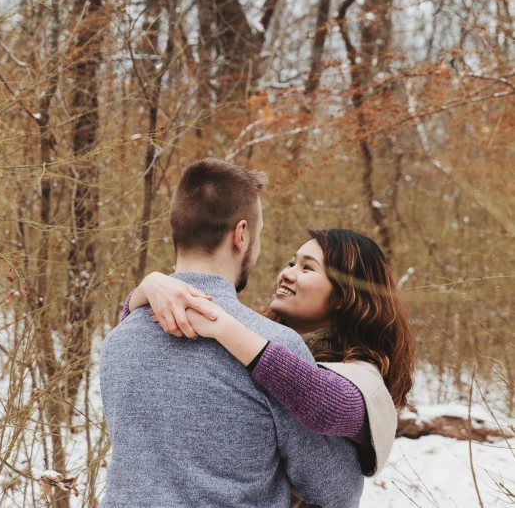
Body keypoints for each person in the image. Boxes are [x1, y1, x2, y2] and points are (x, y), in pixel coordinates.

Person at [99, 158, 364, 508]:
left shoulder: (117, 342)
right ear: (240, 235)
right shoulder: (277, 348)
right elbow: (334, 492)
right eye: (258, 234)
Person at [124, 227, 416, 491]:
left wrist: (226, 328)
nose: (287, 273)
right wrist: (148, 288)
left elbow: (325, 403)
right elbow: (141, 347)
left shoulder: (363, 374)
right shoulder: (253, 340)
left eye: (307, 268)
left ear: (345, 295)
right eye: (291, 263)